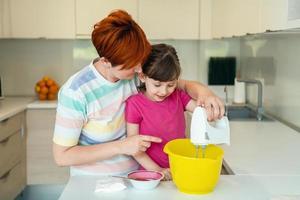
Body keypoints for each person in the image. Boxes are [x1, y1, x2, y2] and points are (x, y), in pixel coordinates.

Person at [53, 10, 224, 176]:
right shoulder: (76, 92)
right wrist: (120, 146)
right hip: (93, 184)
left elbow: (182, 86)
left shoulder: (136, 77)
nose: (140, 69)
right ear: (106, 61)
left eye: (139, 60)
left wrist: (205, 93)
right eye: (131, 64)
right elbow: (62, 156)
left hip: (138, 178)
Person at [125, 44, 198, 180]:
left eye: (171, 85)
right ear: (142, 76)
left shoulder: (178, 96)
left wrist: (211, 107)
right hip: (150, 173)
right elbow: (134, 148)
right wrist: (158, 171)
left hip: (180, 168)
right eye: (157, 85)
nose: (164, 91)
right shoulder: (134, 104)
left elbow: (200, 112)